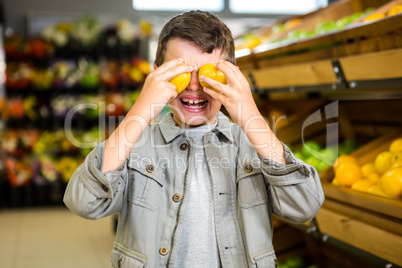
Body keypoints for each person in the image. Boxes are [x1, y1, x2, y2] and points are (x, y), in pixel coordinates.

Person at [64, 10, 324, 268]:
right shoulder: (136, 146)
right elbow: (85, 204)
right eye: (180, 70)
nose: (194, 85)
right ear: (156, 75)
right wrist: (140, 111)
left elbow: (304, 207)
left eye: (207, 72)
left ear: (232, 77)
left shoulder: (252, 145)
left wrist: (250, 114)